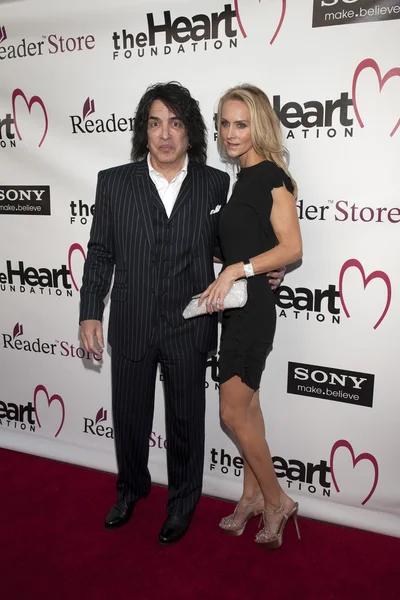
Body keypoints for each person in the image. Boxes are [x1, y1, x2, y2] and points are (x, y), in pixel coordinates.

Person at [79, 82, 284, 545]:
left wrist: (268, 270)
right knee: (130, 416)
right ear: (143, 132)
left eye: (175, 123)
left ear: (191, 132)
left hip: (191, 322)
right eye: (155, 123)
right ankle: (130, 490)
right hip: (131, 319)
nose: (165, 134)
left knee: (187, 421)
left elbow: (229, 245)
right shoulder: (114, 182)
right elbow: (99, 251)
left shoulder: (215, 183)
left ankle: (183, 503)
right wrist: (91, 310)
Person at [199, 84, 302, 550]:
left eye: (241, 123)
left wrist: (241, 269)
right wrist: (252, 262)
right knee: (250, 410)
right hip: (237, 307)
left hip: (253, 309)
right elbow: (260, 244)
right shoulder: (241, 179)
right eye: (224, 122)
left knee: (230, 411)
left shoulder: (270, 177)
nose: (230, 132)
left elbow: (293, 247)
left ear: (258, 124)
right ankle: (252, 496)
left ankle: (278, 500)